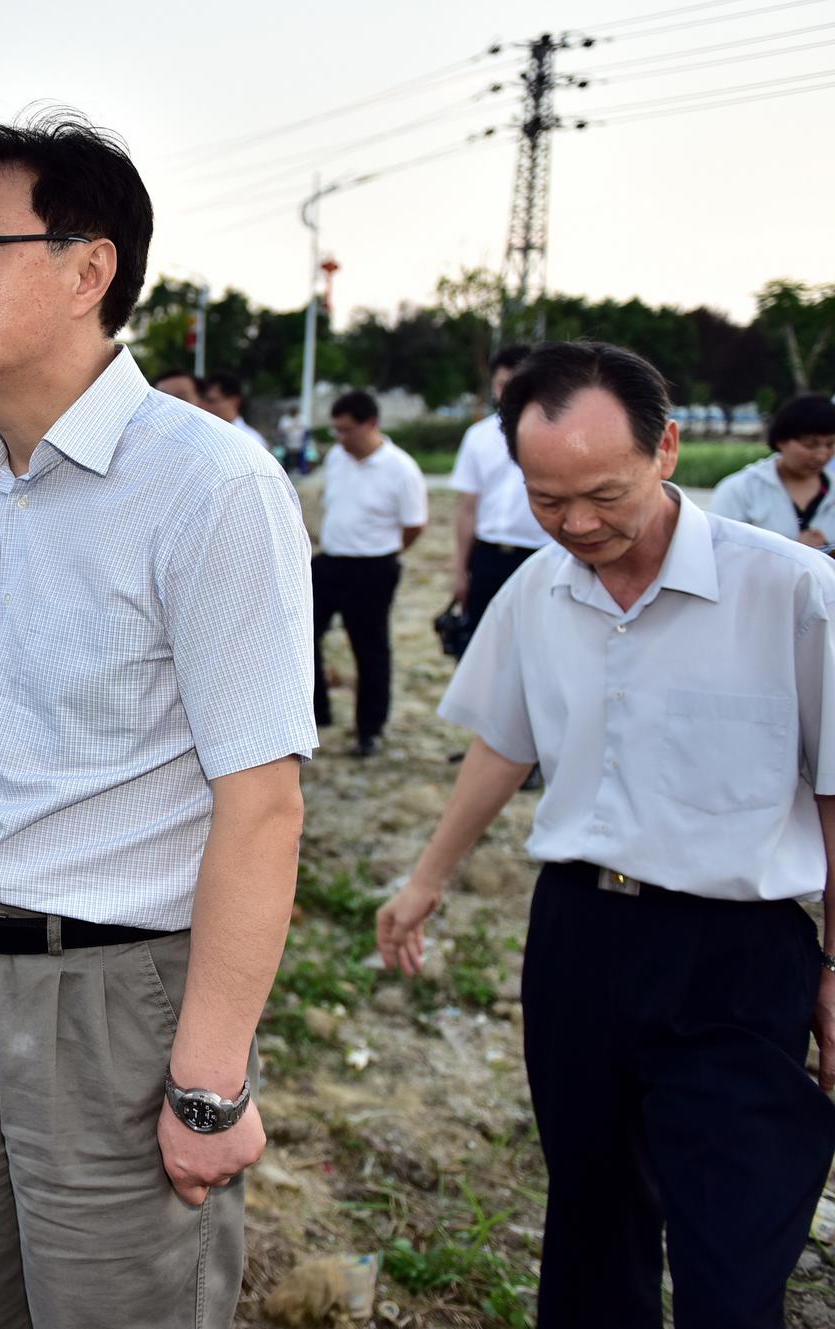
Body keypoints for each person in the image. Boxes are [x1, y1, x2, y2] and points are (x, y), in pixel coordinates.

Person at [0, 109, 313, 1328]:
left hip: (108, 996)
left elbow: (262, 800)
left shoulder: (207, 484)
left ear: (90, 270)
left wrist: (206, 1080)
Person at [373, 341, 835, 1328]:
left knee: (733, 1248)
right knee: (590, 1222)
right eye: (547, 501)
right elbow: (503, 742)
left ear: (664, 448)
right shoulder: (537, 592)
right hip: (581, 938)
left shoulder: (790, 593)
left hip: (736, 954)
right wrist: (424, 881)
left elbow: (834, 791)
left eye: (602, 495)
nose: (576, 525)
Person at [312, 390, 427, 757]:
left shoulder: (401, 468)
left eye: (347, 431)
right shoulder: (337, 460)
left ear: (371, 424)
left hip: (373, 567)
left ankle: (370, 729)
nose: (341, 439)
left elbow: (413, 526)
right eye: (336, 431)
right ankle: (315, 711)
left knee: (370, 649)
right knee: (301, 635)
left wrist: (383, 551)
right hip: (330, 562)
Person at [448, 344, 548, 640]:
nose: (510, 392)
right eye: (504, 384)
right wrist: (459, 570)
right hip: (488, 555)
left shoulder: (556, 435)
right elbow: (467, 507)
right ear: (494, 386)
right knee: (482, 642)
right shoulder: (477, 437)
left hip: (539, 555)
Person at [708, 393, 835, 546]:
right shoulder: (740, 490)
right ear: (781, 440)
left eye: (830, 445)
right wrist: (796, 552)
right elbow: (719, 550)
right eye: (810, 445)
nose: (822, 455)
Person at [200, 370, 270, 452]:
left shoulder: (252, 441)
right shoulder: (202, 435)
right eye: (203, 400)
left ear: (234, 401)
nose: (203, 406)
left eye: (211, 401)